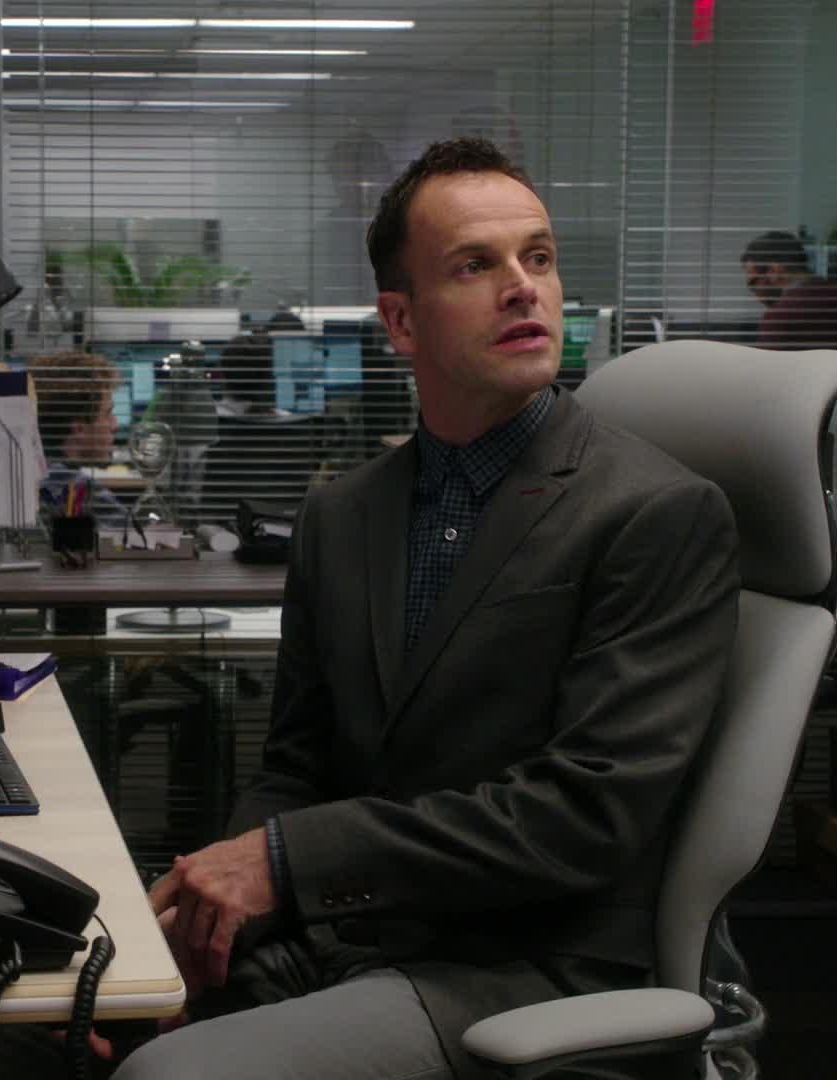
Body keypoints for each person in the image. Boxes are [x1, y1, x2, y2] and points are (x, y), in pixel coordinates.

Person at [118, 137, 741, 1078]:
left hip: (526, 966)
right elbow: (296, 764)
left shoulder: (654, 513)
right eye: (475, 266)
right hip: (350, 932)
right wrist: (213, 917)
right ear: (401, 322)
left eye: (539, 257)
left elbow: (581, 816)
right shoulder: (343, 514)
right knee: (75, 1014)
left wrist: (284, 864)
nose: (524, 288)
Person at [742, 230, 837, 366]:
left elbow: (766, 378)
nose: (755, 293)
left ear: (775, 270)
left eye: (753, 282)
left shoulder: (779, 317)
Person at [27, 352, 127, 521]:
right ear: (79, 427)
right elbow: (134, 535)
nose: (115, 425)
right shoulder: (71, 487)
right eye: (108, 414)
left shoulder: (30, 470)